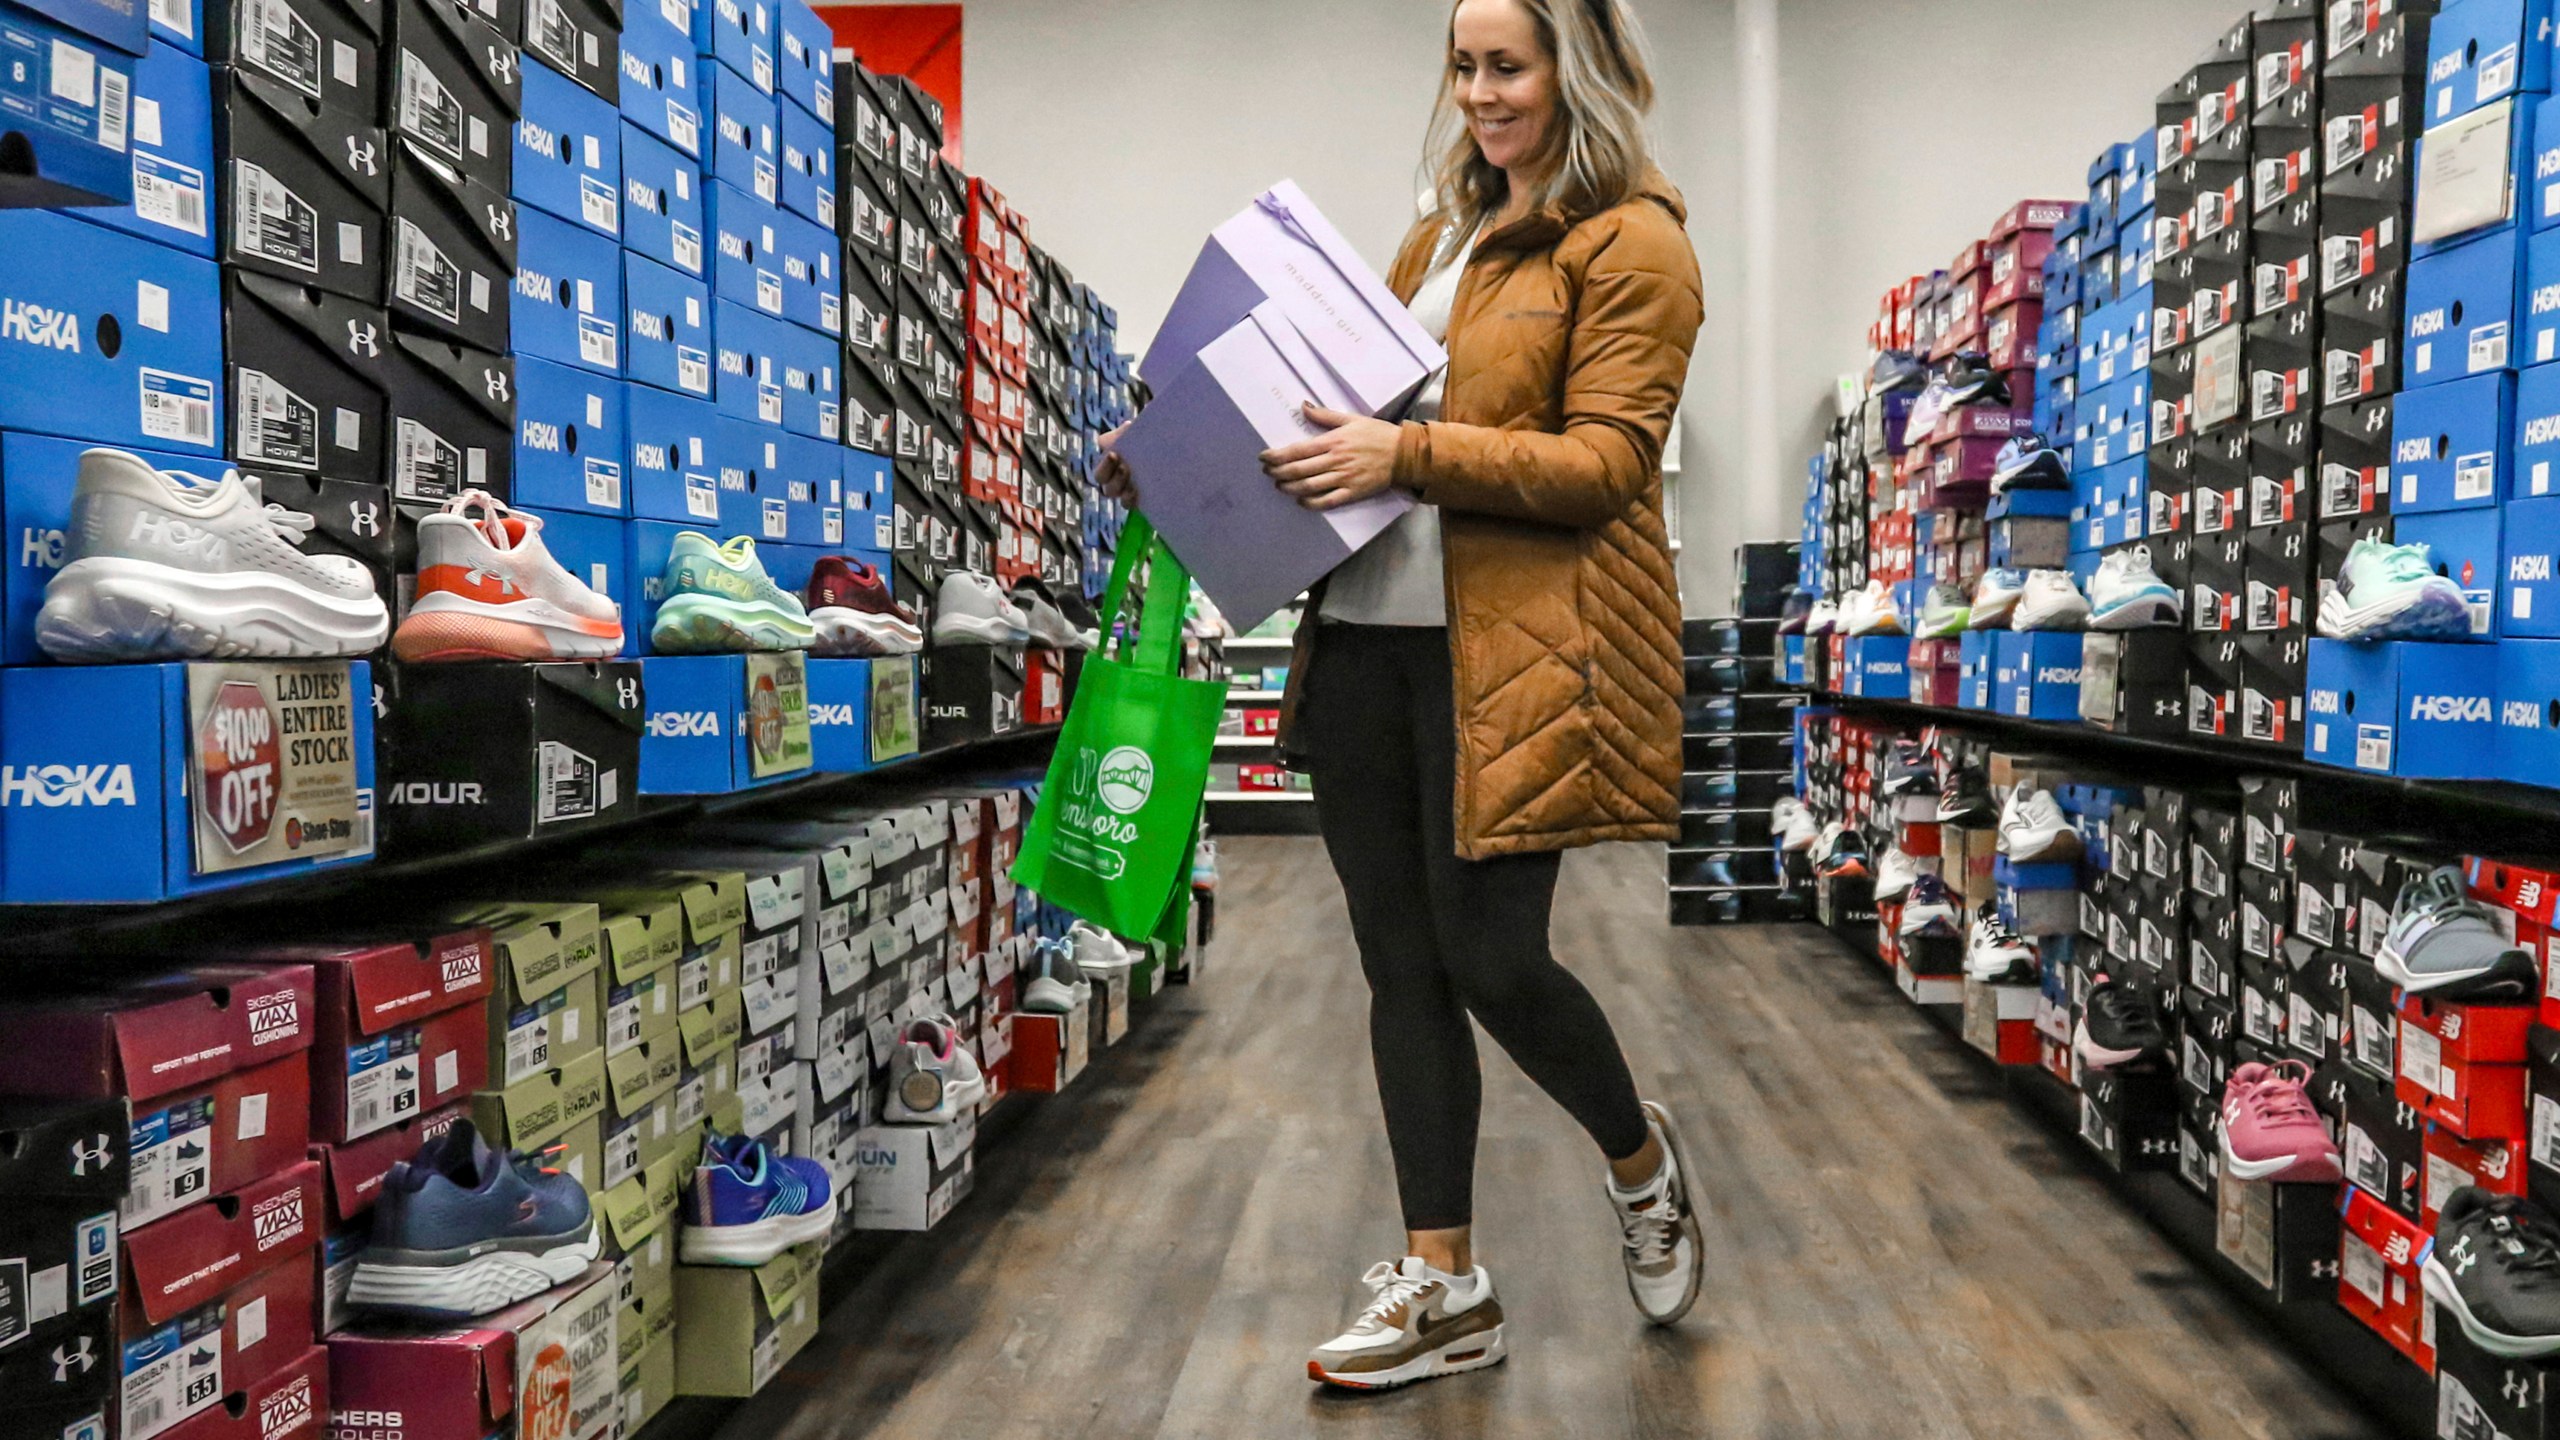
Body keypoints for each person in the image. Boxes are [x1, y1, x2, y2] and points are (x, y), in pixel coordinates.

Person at [1096, 0, 1702, 1392]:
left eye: (1508, 65)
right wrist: (1182, 451)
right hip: (1365, 642)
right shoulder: (1438, 240)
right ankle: (1445, 1285)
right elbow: (1333, 422)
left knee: (1495, 958)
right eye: (1465, 67)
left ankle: (1641, 1157)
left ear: (1579, 70)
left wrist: (1409, 451)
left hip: (1512, 662)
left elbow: (1606, 464)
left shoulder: (1636, 246)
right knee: (1401, 967)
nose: (1480, 94)